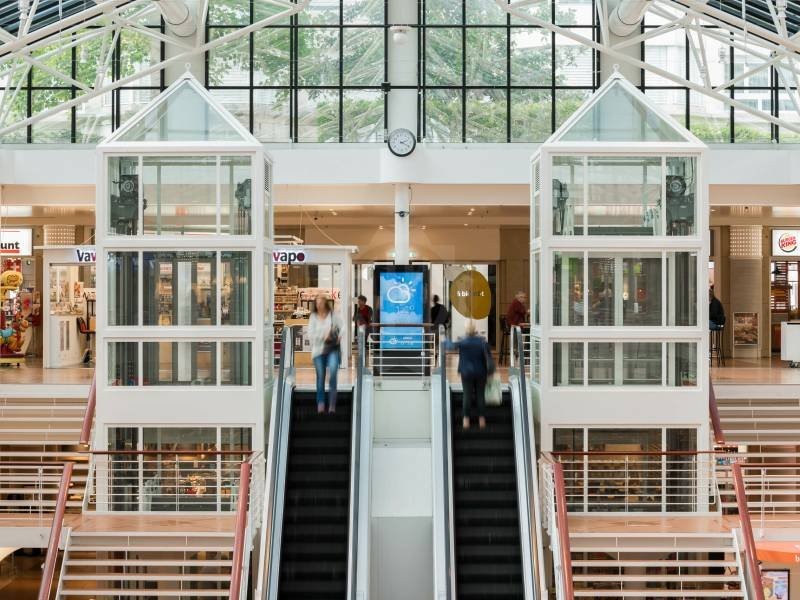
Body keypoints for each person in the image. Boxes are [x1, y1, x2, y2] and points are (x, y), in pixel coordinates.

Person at [448, 322, 495, 430]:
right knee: (480, 395)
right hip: (481, 372)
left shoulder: (462, 342)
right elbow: (489, 357)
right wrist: (491, 372)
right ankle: (482, 420)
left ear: (466, 330)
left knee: (467, 395)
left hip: (466, 372)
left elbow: (450, 346)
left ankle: (466, 420)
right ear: (475, 330)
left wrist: (443, 338)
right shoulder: (482, 342)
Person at [309, 294, 343, 415]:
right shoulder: (313, 317)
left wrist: (339, 337)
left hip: (332, 349)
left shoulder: (333, 315)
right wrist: (322, 336)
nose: (319, 305)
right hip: (318, 351)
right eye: (317, 303)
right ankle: (321, 402)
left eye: (321, 302)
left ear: (325, 303)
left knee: (333, 373)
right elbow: (310, 335)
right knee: (321, 376)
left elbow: (343, 327)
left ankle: (332, 404)